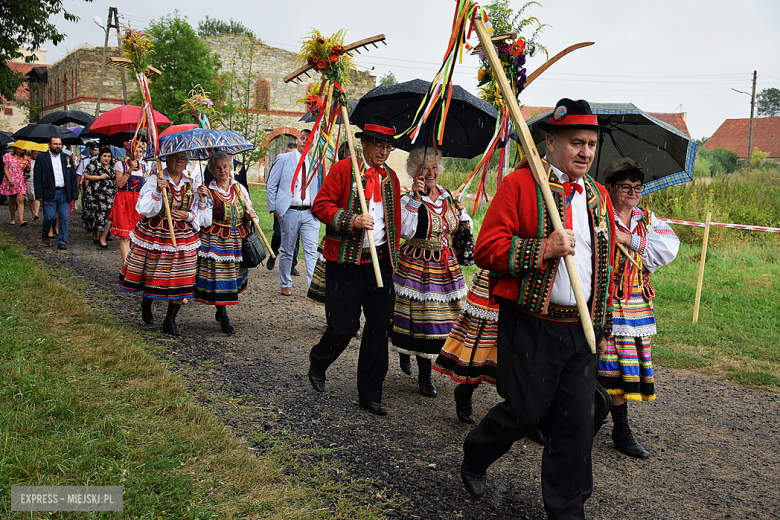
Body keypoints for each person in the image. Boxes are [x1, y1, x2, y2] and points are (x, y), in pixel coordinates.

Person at [460, 98, 617, 518]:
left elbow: (606, 261)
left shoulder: (599, 196)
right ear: (550, 142)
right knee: (525, 412)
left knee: (576, 419)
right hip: (531, 323)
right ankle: (476, 453)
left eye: (591, 143)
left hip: (582, 327)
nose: (585, 152)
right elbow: (486, 250)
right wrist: (543, 248)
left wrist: (602, 320)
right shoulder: (521, 185)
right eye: (576, 143)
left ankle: (566, 509)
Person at [307, 114, 401, 416]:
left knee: (377, 331)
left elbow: (396, 221)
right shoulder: (344, 170)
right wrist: (353, 220)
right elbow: (320, 206)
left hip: (380, 264)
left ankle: (370, 393)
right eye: (379, 144)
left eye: (389, 146)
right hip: (346, 264)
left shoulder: (392, 179)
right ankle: (319, 360)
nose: (384, 151)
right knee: (344, 326)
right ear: (363, 143)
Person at [598, 157, 679, 459]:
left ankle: (620, 431)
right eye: (625, 187)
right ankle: (585, 424)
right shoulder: (599, 217)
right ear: (610, 188)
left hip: (635, 304)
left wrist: (629, 239)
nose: (633, 192)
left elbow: (667, 250)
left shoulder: (647, 221)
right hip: (604, 301)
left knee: (621, 368)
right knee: (602, 363)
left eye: (637, 187)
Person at [391, 148, 470, 398]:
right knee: (423, 321)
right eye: (424, 168)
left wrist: (461, 212)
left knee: (447, 322)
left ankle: (421, 357)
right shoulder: (409, 199)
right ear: (414, 171)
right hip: (417, 267)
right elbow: (404, 231)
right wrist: (415, 199)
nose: (430, 172)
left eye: (434, 167)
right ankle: (424, 376)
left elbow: (457, 227)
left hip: (446, 267)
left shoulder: (448, 196)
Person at [119, 151, 210, 335]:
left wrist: (195, 207)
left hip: (183, 236)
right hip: (156, 233)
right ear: (166, 160)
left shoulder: (191, 184)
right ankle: (147, 302)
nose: (178, 161)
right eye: (175, 157)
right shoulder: (155, 179)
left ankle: (170, 320)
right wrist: (158, 192)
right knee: (152, 271)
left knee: (182, 275)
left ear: (187, 163)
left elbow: (202, 219)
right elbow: (143, 208)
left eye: (182, 158)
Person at [194, 151, 257, 335]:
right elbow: (203, 221)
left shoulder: (239, 188)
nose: (222, 170)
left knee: (233, 278)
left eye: (225, 166)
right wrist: (203, 200)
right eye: (218, 167)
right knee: (220, 278)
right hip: (216, 241)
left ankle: (221, 311)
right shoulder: (208, 190)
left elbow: (249, 209)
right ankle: (223, 315)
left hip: (237, 240)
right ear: (212, 170)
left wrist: (249, 215)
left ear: (231, 168)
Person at [434, 268, 499, 423]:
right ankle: (466, 390)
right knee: (483, 343)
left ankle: (528, 414)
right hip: (498, 273)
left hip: (534, 280)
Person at [265, 129, 320, 295]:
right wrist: (274, 208)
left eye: (308, 139)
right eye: (302, 138)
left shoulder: (315, 163)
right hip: (289, 210)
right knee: (288, 249)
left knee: (311, 250)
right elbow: (271, 184)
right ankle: (285, 283)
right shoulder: (284, 159)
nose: (304, 141)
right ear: (297, 140)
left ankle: (312, 286)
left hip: (310, 213)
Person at [34, 136, 79, 250]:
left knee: (64, 217)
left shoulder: (66, 158)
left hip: (64, 192)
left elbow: (73, 176)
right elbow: (37, 177)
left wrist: (75, 194)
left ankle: (62, 241)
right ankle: (45, 232)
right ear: (49, 144)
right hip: (49, 192)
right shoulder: (42, 158)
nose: (58, 146)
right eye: (55, 144)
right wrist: (38, 194)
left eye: (60, 144)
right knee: (49, 216)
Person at [266, 141, 301, 274]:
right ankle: (273, 253)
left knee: (296, 237)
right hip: (282, 207)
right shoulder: (280, 162)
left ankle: (292, 264)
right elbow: (271, 185)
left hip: (296, 208)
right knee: (278, 234)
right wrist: (274, 207)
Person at [110, 141, 148, 263]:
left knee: (137, 236)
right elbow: (120, 184)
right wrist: (130, 170)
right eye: (135, 150)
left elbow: (145, 186)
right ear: (129, 151)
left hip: (138, 202)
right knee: (125, 237)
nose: (138, 153)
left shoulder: (144, 167)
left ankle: (135, 264)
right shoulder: (120, 165)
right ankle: (127, 266)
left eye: (140, 151)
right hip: (124, 201)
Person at [82, 146, 117, 248]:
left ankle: (104, 236)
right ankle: (95, 233)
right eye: (104, 156)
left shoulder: (114, 165)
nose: (107, 158)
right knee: (95, 214)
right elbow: (86, 175)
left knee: (107, 215)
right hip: (95, 193)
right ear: (100, 156)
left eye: (109, 156)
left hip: (109, 194)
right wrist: (99, 177)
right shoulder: (94, 164)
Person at [2, 146, 31, 225]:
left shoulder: (25, 158)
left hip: (21, 180)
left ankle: (21, 220)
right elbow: (6, 169)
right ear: (15, 149)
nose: (21, 151)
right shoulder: (8, 156)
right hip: (11, 179)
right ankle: (12, 218)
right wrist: (9, 179)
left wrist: (27, 168)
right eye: (19, 149)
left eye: (23, 149)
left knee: (20, 200)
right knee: (12, 200)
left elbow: (27, 170)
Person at [25, 150, 41, 221]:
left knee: (37, 196)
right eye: (34, 153)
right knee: (30, 197)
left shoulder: (41, 160)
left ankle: (36, 213)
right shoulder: (28, 160)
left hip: (38, 180)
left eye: (38, 153)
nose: (36, 155)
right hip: (29, 180)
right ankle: (33, 213)